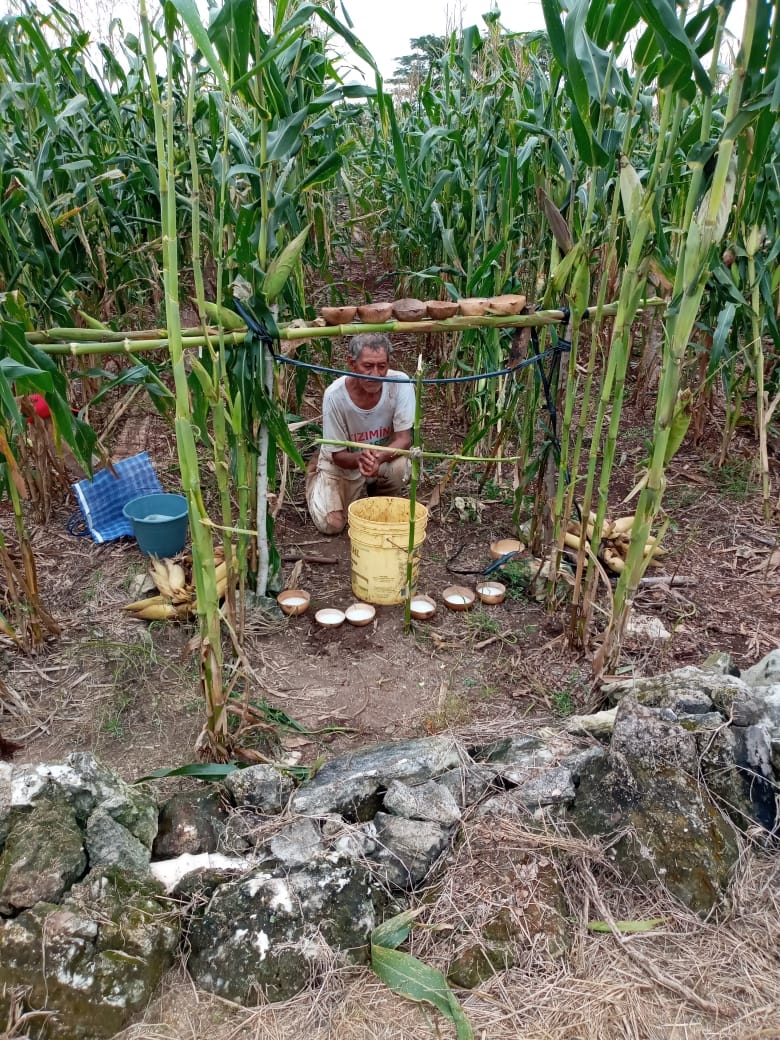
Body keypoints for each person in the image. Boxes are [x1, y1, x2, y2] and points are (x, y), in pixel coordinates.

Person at [306, 333, 415, 535]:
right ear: (352, 363)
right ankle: (315, 477)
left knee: (400, 468)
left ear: (389, 364)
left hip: (379, 457)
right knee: (332, 525)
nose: (375, 374)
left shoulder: (400, 384)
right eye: (368, 366)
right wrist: (361, 459)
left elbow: (404, 439)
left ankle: (375, 494)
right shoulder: (335, 396)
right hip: (343, 462)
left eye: (382, 366)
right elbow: (338, 456)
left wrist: (378, 458)